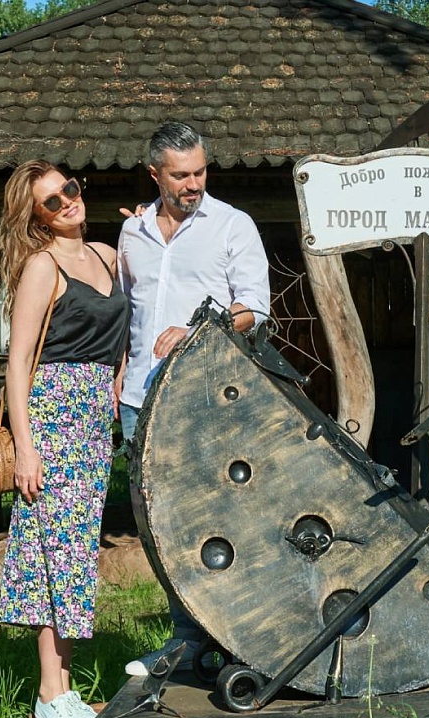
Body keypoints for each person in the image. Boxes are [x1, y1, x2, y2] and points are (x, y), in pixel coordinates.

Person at [116, 122, 270, 676]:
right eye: (180, 175)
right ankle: (187, 641)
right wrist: (118, 376)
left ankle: (240, 638)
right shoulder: (132, 232)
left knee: (220, 518)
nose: (194, 184)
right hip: (138, 399)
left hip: (207, 398)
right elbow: (128, 311)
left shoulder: (232, 225)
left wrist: (196, 330)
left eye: (200, 172)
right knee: (160, 526)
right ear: (154, 175)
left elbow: (255, 308)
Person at [0, 160, 129, 718]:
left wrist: (118, 377)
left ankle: (62, 688)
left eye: (68, 188)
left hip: (93, 418)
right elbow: (18, 362)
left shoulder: (108, 255)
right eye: (51, 200)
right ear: (36, 217)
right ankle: (51, 690)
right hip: (53, 414)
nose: (67, 201)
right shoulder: (42, 267)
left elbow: (121, 330)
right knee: (55, 551)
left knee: (75, 551)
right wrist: (25, 447)